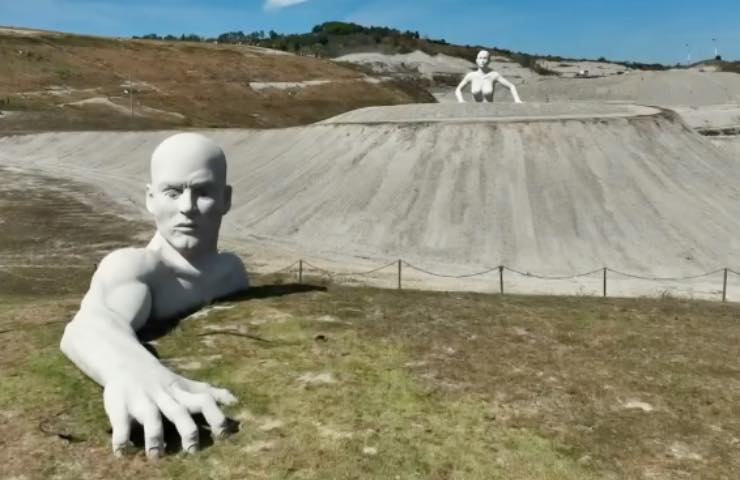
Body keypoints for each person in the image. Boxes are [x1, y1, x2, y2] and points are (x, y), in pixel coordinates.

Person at [60, 132, 249, 459]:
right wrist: (132, 371)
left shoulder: (233, 272)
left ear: (226, 199)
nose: (187, 208)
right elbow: (88, 324)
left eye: (202, 192)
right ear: (150, 198)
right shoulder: (134, 267)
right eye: (172, 192)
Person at [455, 50, 523, 104]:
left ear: (489, 61)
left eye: (485, 58)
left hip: (490, 110)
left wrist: (517, 100)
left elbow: (511, 86)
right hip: (475, 111)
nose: (482, 61)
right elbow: (458, 89)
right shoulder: (471, 76)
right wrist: (461, 101)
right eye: (480, 58)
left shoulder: (494, 75)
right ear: (477, 60)